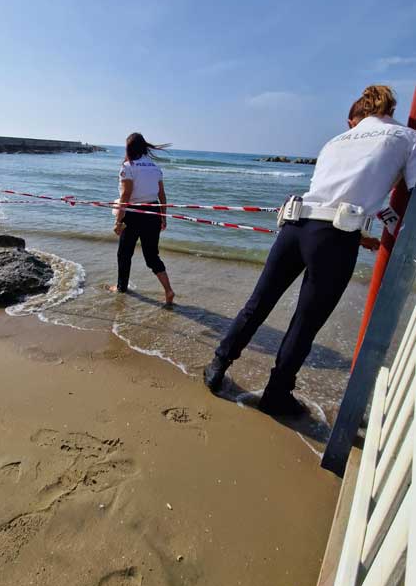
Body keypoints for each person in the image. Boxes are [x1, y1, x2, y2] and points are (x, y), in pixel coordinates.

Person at [203, 85, 416, 416]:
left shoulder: (335, 142)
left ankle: (217, 366)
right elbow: (409, 194)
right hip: (332, 240)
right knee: (304, 323)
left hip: (295, 226)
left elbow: (329, 194)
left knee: (258, 303)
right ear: (390, 110)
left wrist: (361, 231)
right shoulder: (405, 137)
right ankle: (277, 393)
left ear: (355, 117)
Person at [110, 132, 175, 304]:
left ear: (129, 148)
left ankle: (121, 287)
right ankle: (168, 290)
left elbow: (126, 196)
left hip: (133, 214)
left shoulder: (128, 167)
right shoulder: (155, 167)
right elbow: (162, 195)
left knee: (124, 253)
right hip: (153, 213)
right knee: (152, 256)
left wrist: (118, 222)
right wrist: (163, 217)